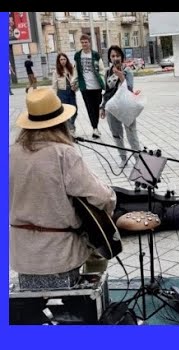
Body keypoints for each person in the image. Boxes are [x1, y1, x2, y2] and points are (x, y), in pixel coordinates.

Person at [9, 88, 116, 290]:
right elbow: (102, 197)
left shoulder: (10, 154)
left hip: (21, 254)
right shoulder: (63, 153)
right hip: (60, 254)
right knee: (97, 252)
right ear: (60, 122)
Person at [99, 45, 141, 168]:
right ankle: (123, 157)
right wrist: (102, 107)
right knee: (116, 134)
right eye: (113, 56)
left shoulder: (127, 70)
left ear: (122, 57)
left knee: (131, 134)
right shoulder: (107, 72)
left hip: (126, 107)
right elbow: (107, 92)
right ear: (109, 58)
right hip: (112, 108)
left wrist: (121, 76)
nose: (115, 58)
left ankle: (138, 159)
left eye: (118, 55)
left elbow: (129, 89)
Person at [73, 34, 105, 139]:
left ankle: (95, 126)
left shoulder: (95, 55)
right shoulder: (78, 55)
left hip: (96, 86)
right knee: (89, 108)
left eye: (86, 42)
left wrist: (102, 79)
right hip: (85, 87)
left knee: (96, 107)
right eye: (82, 42)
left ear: (89, 43)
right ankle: (95, 128)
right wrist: (74, 82)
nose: (84, 44)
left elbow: (101, 69)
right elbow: (76, 70)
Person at [51, 53, 78, 135]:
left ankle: (71, 124)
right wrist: (54, 97)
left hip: (71, 92)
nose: (63, 61)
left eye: (64, 59)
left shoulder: (71, 69)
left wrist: (76, 88)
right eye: (61, 59)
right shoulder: (56, 71)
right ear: (58, 61)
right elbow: (54, 86)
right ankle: (70, 128)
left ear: (67, 60)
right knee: (64, 111)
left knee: (74, 110)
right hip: (61, 93)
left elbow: (76, 81)